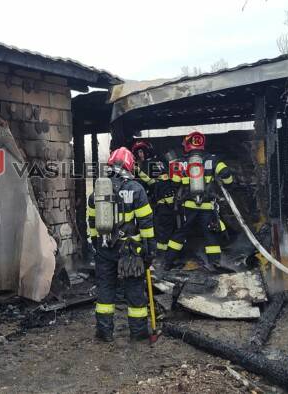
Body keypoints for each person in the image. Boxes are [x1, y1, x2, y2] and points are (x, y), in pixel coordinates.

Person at [87, 147, 156, 342]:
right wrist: (149, 251)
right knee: (134, 291)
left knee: (105, 290)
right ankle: (139, 333)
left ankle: (104, 332)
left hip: (104, 248)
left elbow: (92, 221)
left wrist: (96, 243)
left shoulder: (98, 189)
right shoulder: (136, 189)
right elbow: (146, 223)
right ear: (129, 166)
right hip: (131, 251)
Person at [164, 131, 233, 271]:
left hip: (188, 206)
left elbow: (174, 183)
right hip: (207, 206)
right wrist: (228, 184)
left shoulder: (182, 162)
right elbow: (226, 174)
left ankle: (168, 262)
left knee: (180, 233)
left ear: (187, 145)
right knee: (210, 234)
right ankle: (215, 263)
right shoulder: (213, 160)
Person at [131, 140, 175, 257]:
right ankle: (165, 254)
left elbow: (152, 183)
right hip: (168, 203)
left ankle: (161, 256)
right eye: (138, 152)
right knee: (165, 230)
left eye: (142, 151)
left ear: (147, 151)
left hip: (162, 204)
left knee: (160, 230)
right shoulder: (160, 162)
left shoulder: (148, 164)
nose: (140, 155)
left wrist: (136, 171)